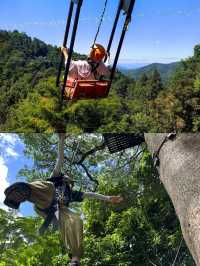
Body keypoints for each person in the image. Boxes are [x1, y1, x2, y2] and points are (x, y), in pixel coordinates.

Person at [4, 174, 123, 266]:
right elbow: (59, 161)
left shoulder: (72, 194)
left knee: (76, 221)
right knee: (54, 210)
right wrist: (61, 142)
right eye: (66, 178)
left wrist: (108, 198)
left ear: (70, 183)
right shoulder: (55, 180)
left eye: (69, 180)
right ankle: (17, 195)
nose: (67, 180)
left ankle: (75, 258)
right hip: (43, 206)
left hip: (59, 211)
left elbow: (90, 194)